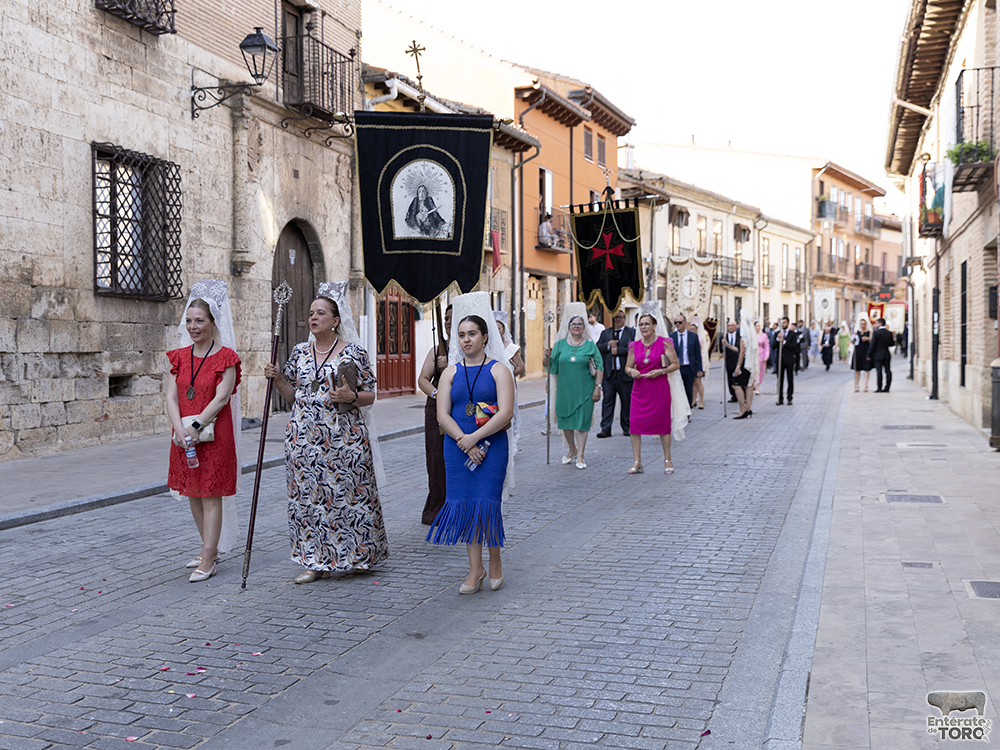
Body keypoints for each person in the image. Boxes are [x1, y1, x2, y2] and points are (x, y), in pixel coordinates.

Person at [264, 282, 388, 584]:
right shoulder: (300, 352)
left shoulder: (354, 353)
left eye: (321, 313)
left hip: (344, 439)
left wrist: (351, 398)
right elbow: (291, 395)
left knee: (351, 496)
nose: (313, 318)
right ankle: (313, 560)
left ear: (336, 320)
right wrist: (278, 377)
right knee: (308, 500)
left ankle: (358, 555)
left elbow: (371, 393)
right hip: (304, 439)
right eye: (310, 313)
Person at [427, 292, 516, 594]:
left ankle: (495, 561)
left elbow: (505, 413)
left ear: (484, 336)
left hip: (491, 447)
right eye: (461, 335)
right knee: (465, 505)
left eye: (472, 334)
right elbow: (443, 414)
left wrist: (475, 439)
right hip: (456, 447)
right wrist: (464, 442)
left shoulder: (499, 370)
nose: (466, 339)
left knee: (487, 503)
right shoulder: (450, 372)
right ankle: (474, 568)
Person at [166, 280, 242, 583]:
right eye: (189, 321)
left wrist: (196, 426)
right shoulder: (179, 356)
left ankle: (209, 557)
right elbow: (171, 396)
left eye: (200, 321)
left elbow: (222, 397)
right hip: (183, 435)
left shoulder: (226, 358)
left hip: (213, 434)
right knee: (192, 492)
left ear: (213, 323)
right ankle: (207, 547)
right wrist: (179, 428)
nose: (193, 326)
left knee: (211, 494)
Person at [625, 302, 687, 475]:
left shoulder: (664, 343)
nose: (644, 327)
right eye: (641, 324)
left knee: (662, 425)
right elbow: (627, 367)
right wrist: (632, 371)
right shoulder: (634, 346)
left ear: (654, 325)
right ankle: (637, 461)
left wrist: (660, 371)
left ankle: (668, 459)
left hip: (659, 390)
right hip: (639, 390)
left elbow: (676, 364)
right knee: (634, 425)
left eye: (647, 324)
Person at [544, 303, 603, 469]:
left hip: (585, 390)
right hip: (564, 390)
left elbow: (600, 366)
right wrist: (546, 356)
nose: (576, 326)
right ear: (568, 327)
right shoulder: (561, 344)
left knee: (582, 422)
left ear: (584, 327)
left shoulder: (590, 344)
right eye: (573, 324)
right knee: (566, 422)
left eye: (579, 324)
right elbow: (550, 366)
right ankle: (572, 449)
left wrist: (598, 387)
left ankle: (581, 456)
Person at [417, 304, 452, 525]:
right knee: (436, 460)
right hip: (437, 409)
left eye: (452, 318)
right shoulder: (437, 349)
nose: (448, 322)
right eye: (446, 318)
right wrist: (438, 394)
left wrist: (450, 366)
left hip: (461, 411)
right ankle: (438, 507)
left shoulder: (470, 349)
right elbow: (423, 379)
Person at [596, 310, 635, 437]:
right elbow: (598, 347)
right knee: (607, 401)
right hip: (609, 374)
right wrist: (608, 346)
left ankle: (627, 427)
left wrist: (619, 350)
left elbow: (635, 348)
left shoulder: (631, 332)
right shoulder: (606, 333)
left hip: (625, 374)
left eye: (620, 317)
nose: (617, 319)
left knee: (626, 402)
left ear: (624, 318)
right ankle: (605, 428)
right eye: (615, 317)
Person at [669, 312, 704, 408]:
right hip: (676, 367)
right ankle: (678, 410)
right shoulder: (671, 336)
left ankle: (687, 411)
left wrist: (700, 369)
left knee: (689, 390)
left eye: (680, 322)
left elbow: (697, 354)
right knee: (676, 390)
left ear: (686, 323)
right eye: (676, 322)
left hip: (689, 367)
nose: (677, 324)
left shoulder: (693, 336)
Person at [774, 316, 800, 405]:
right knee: (779, 380)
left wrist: (784, 342)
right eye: (781, 323)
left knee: (790, 379)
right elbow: (773, 346)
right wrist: (778, 339)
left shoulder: (792, 334)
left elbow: (794, 347)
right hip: (780, 360)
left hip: (789, 359)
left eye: (784, 323)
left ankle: (789, 398)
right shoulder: (777, 333)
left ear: (788, 323)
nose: (783, 324)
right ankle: (780, 398)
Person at [493, 311, 525, 377]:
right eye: (494, 328)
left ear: (504, 331)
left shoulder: (510, 347)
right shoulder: (486, 346)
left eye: (499, 328)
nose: (496, 331)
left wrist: (510, 377)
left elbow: (520, 366)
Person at [869, 317, 893, 393]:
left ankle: (879, 387)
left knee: (879, 371)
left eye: (876, 323)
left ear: (880, 324)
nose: (875, 325)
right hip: (886, 353)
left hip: (877, 354)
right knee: (887, 371)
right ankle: (887, 387)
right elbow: (892, 344)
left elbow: (872, 344)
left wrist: (868, 354)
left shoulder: (876, 333)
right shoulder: (889, 333)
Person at [688, 320, 707, 409]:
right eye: (690, 329)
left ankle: (701, 400)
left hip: (698, 362)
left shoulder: (698, 338)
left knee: (698, 382)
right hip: (691, 362)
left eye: (693, 329)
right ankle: (694, 399)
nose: (692, 331)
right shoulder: (688, 337)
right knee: (692, 383)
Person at [851, 317, 873, 393]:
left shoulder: (869, 332)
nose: (862, 325)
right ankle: (856, 385)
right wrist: (853, 339)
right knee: (857, 369)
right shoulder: (857, 332)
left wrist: (868, 339)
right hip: (858, 352)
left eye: (863, 324)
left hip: (866, 351)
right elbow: (853, 342)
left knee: (866, 369)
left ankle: (866, 385)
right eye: (861, 324)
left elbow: (872, 342)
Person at [755, 320, 770, 396]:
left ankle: (757, 387)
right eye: (757, 326)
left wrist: (766, 356)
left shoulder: (764, 336)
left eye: (759, 326)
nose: (758, 327)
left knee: (760, 372)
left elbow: (767, 346)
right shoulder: (752, 335)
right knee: (753, 371)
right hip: (753, 355)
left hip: (761, 355)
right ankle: (752, 385)